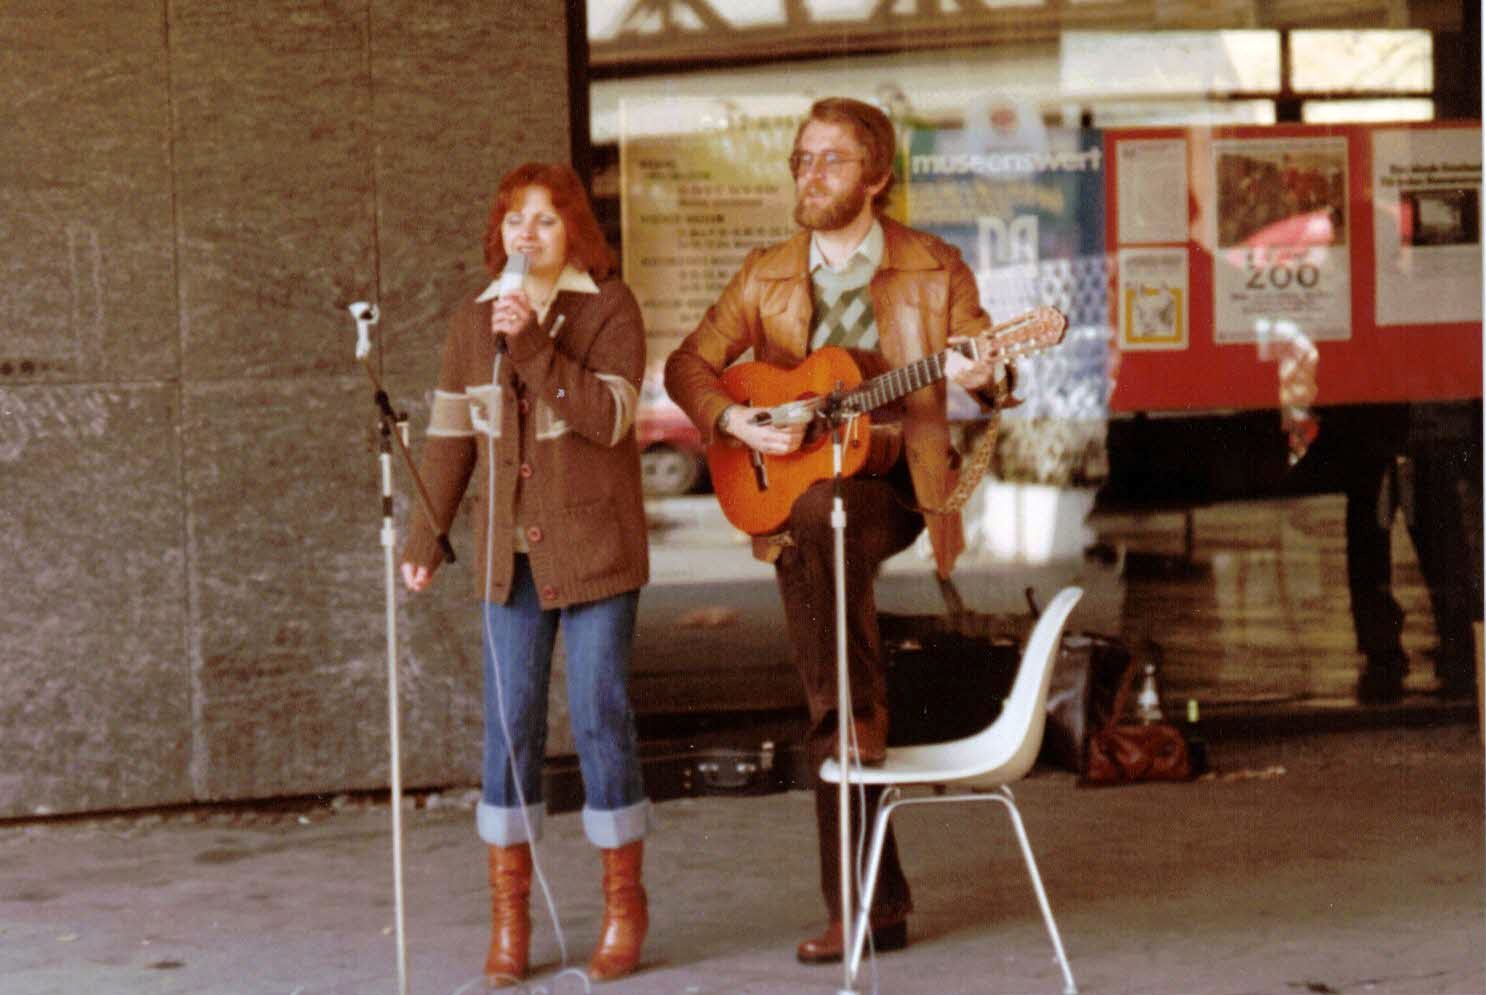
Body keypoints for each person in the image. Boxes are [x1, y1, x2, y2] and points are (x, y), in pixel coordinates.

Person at [664, 97, 1016, 964]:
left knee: (823, 517)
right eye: (800, 159)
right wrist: (739, 425)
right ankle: (869, 897)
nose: (808, 174)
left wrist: (989, 372)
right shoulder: (767, 271)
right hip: (802, 486)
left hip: (896, 482)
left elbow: (989, 369)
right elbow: (687, 364)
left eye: (830, 160)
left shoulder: (935, 267)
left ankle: (851, 734)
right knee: (818, 536)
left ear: (878, 177)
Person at [400, 162, 652, 986]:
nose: (527, 234)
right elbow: (449, 438)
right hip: (510, 555)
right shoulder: (473, 322)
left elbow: (608, 419)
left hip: (596, 553)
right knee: (508, 726)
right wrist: (427, 536)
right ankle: (509, 918)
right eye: (515, 219)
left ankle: (624, 904)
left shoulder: (610, 307)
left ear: (574, 231)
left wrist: (536, 344)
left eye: (546, 220)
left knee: (598, 713)